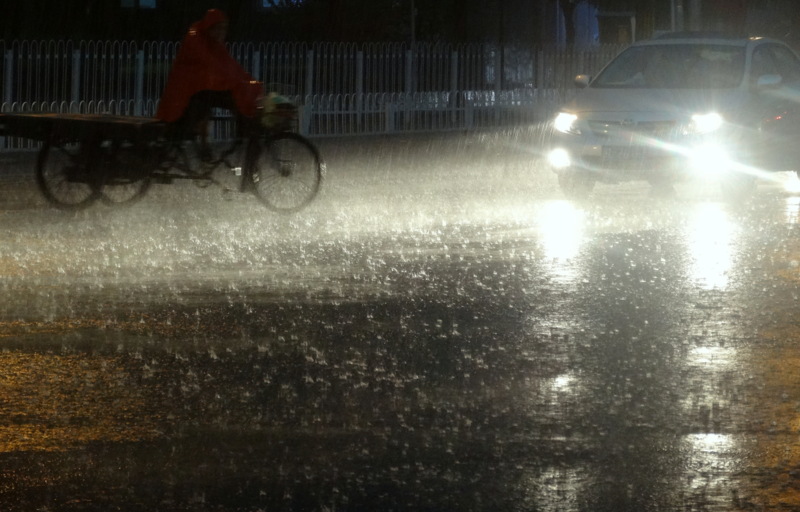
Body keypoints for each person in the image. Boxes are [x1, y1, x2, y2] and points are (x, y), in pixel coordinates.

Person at [156, 8, 263, 159]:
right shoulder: (195, 38)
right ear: (209, 27)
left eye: (224, 29)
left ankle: (242, 139)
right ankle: (240, 139)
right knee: (232, 100)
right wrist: (236, 81)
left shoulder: (213, 42)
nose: (222, 32)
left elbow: (231, 66)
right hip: (187, 92)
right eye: (218, 28)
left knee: (237, 99)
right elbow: (213, 64)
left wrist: (251, 82)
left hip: (201, 89)